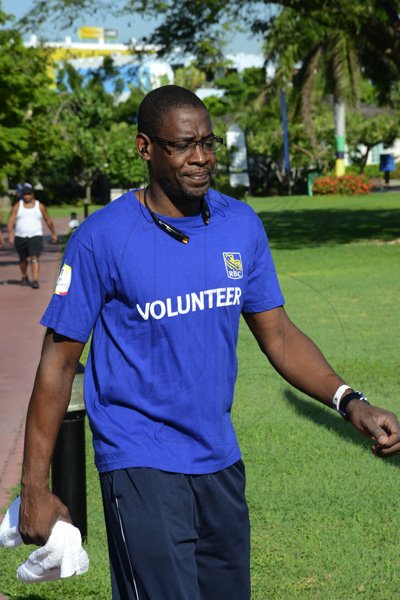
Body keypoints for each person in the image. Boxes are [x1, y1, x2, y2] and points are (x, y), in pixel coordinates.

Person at [18, 86, 400, 600]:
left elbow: (280, 335)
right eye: (181, 145)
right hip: (139, 462)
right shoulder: (101, 238)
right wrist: (36, 488)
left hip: (219, 460)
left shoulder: (238, 224)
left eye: (207, 142)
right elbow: (57, 365)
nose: (200, 157)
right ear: (145, 147)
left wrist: (349, 402)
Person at [7, 186, 58, 289]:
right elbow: (10, 221)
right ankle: (24, 275)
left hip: (35, 235)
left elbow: (48, 220)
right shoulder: (18, 206)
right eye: (25, 195)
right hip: (20, 236)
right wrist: (10, 235)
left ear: (32, 195)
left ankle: (35, 280)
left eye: (29, 194)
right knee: (23, 259)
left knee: (35, 258)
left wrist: (53, 233)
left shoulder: (40, 206)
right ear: (22, 196)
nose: (27, 197)